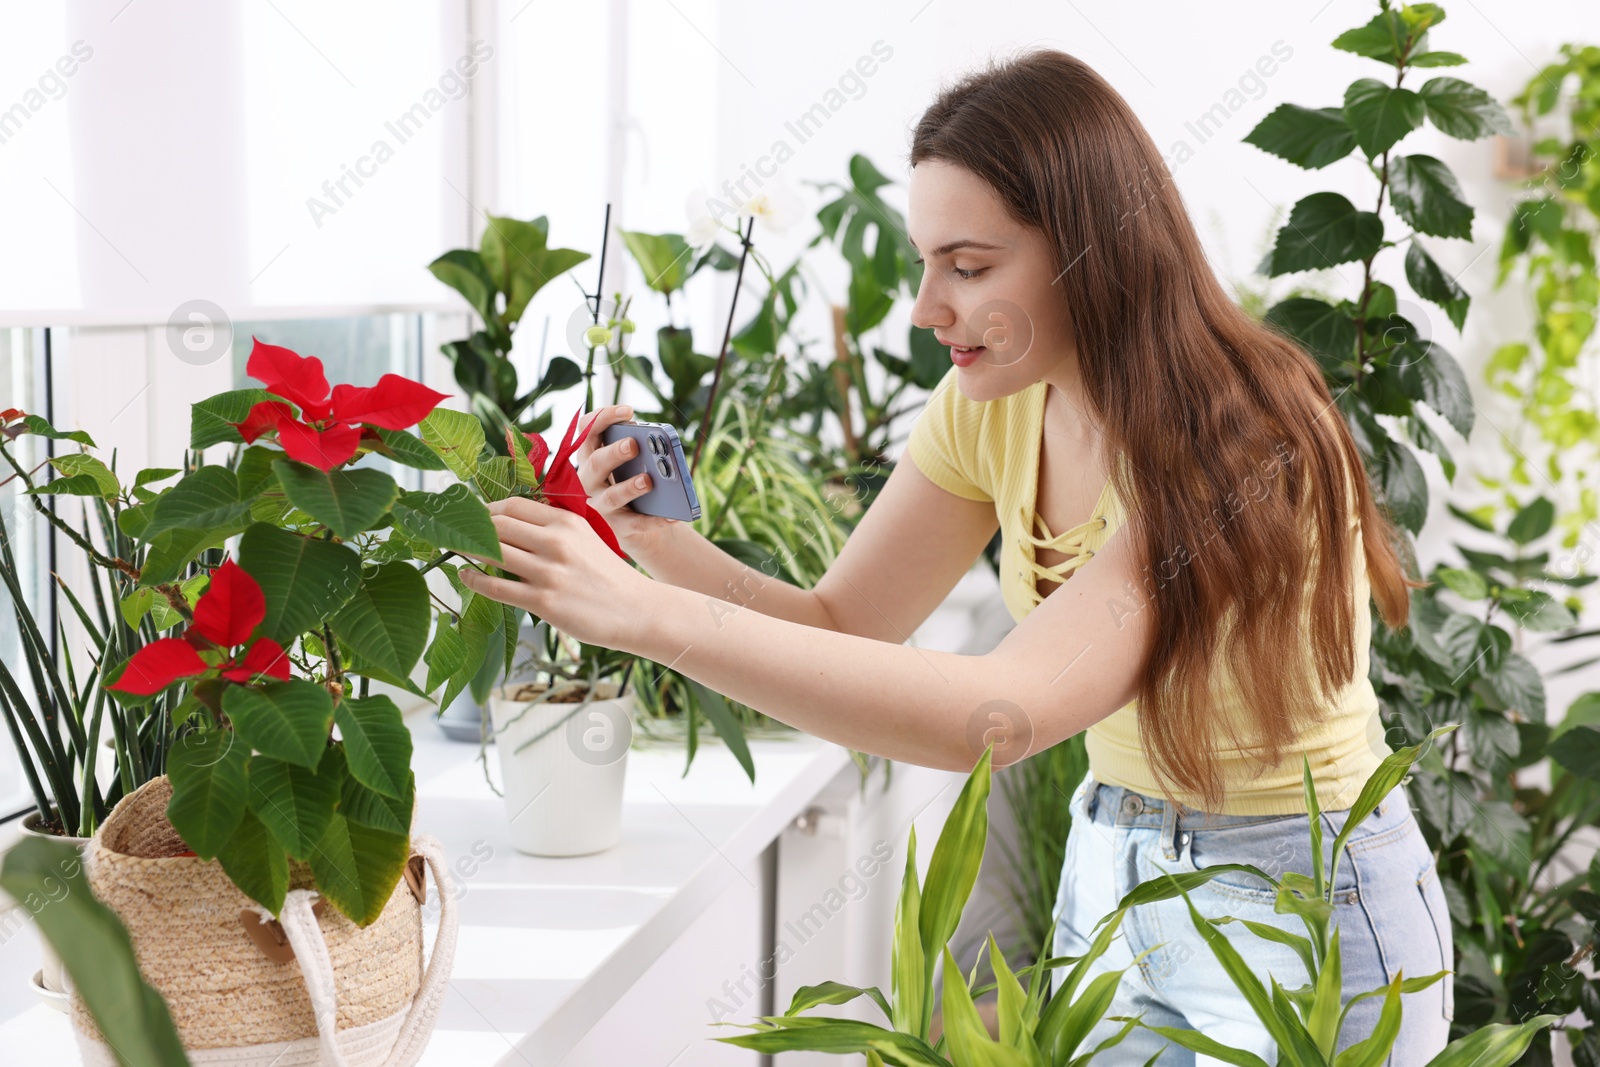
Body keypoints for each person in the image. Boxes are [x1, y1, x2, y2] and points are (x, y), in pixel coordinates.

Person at [456, 46, 1451, 1065]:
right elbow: (842, 625)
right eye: (929, 261)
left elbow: (1001, 712)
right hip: (1115, 869)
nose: (926, 306)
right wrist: (662, 547)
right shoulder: (996, 407)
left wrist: (641, 615)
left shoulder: (1242, 438)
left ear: (1090, 252)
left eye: (968, 267)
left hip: (1298, 896)